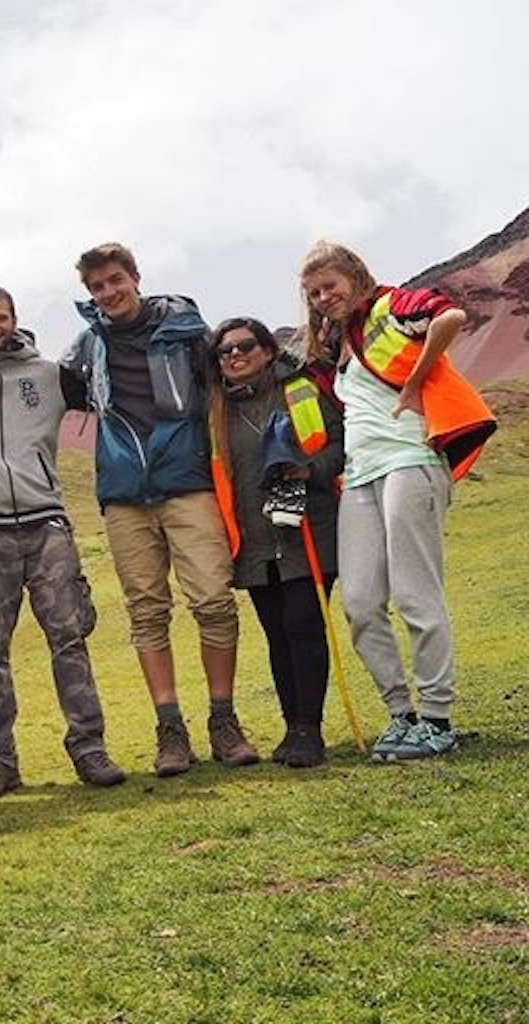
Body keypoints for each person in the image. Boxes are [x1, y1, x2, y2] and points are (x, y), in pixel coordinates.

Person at [61, 242, 259, 776]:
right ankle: (169, 730)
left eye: (115, 280)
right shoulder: (87, 346)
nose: (109, 292)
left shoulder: (188, 330)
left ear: (135, 277)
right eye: (98, 287)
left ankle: (224, 720)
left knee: (213, 601)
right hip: (125, 496)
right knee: (146, 612)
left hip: (188, 484)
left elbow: (231, 376)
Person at [299, 241, 496, 761]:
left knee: (414, 595)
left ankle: (437, 717)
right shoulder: (339, 344)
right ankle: (401, 715)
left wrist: (415, 379)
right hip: (360, 477)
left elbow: (450, 315)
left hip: (411, 461)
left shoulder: (391, 307)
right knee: (360, 603)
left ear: (355, 276)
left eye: (330, 286)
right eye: (314, 292)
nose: (323, 297)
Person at [0, 284, 126, 801]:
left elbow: (112, 382)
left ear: (14, 319)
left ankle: (90, 750)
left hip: (48, 527)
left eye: (0, 317)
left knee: (70, 638)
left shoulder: (50, 375)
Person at [206, 317, 344, 767]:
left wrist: (311, 470)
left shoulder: (299, 390)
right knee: (277, 635)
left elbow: (339, 443)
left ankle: (310, 729)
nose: (235, 356)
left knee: (304, 626)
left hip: (308, 531)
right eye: (224, 352)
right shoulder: (217, 411)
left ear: (267, 350)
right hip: (254, 542)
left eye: (245, 346)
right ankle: (291, 728)